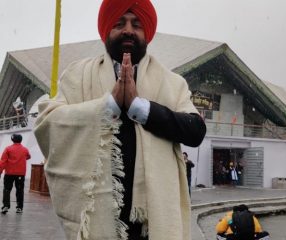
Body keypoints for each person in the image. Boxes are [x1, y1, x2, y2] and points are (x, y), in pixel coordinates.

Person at [34, 0, 206, 239]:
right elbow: (47, 123)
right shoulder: (78, 75)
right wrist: (108, 106)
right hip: (98, 215)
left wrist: (140, 107)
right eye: (119, 23)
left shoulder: (171, 82)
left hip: (151, 222)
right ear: (107, 30)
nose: (128, 30)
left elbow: (195, 130)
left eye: (136, 24)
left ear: (147, 32)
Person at [0, 134, 31, 214]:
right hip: (20, 174)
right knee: (20, 190)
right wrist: (21, 159)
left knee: (7, 189)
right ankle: (19, 208)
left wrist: (0, 171)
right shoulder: (25, 149)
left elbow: (3, 161)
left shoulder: (8, 149)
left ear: (12, 140)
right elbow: (28, 156)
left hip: (9, 173)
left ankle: (6, 206)